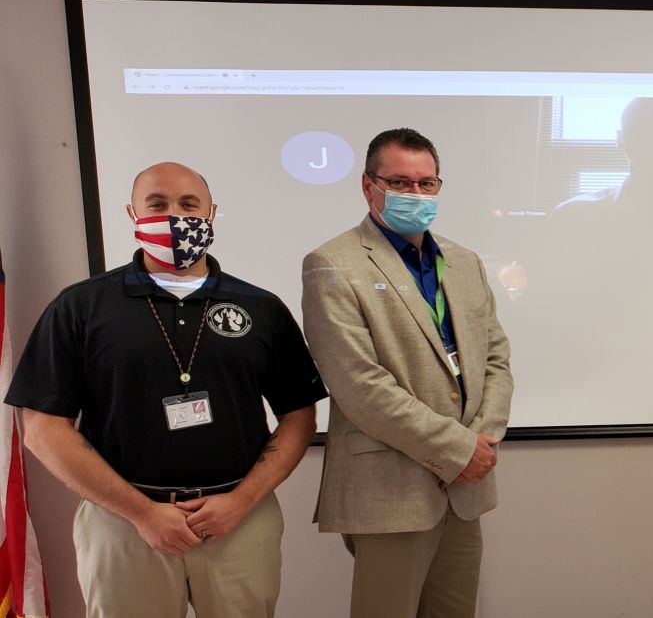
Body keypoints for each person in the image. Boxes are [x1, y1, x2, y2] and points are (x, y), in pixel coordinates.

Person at [5, 162, 323, 617]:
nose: (175, 215)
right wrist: (141, 512)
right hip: (123, 524)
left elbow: (299, 417)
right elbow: (41, 428)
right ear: (132, 214)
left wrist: (241, 501)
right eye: (158, 204)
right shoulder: (81, 306)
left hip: (239, 520)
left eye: (188, 204)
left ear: (212, 213)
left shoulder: (261, 307)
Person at [301, 128, 514, 617]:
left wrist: (479, 442)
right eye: (399, 182)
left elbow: (497, 360)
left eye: (426, 183)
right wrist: (458, 450)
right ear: (368, 185)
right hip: (393, 487)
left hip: (466, 487)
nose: (414, 194)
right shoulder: (332, 264)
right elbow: (359, 386)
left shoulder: (464, 263)